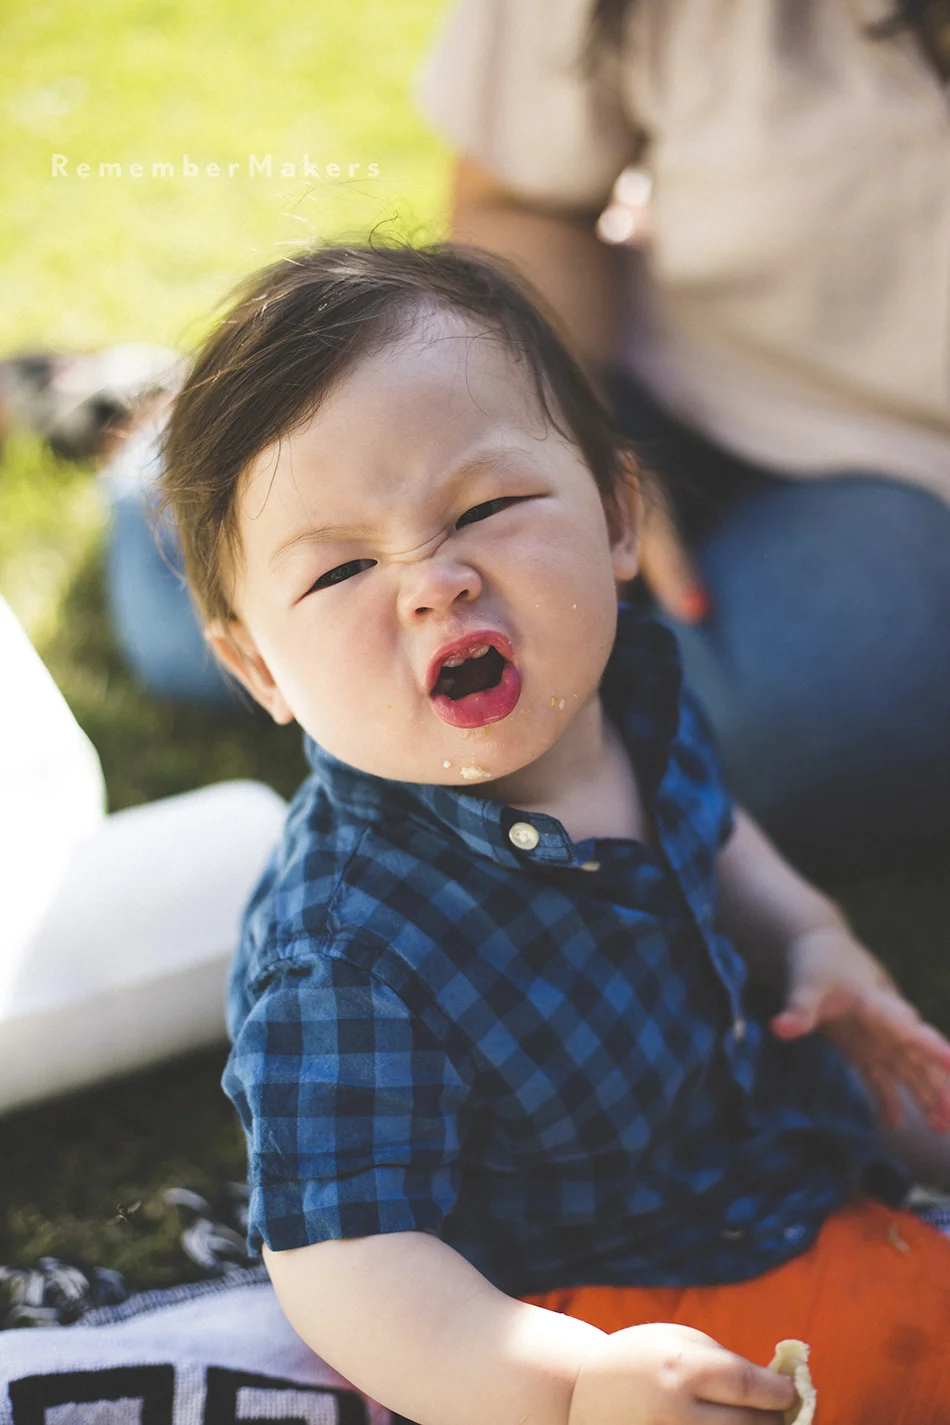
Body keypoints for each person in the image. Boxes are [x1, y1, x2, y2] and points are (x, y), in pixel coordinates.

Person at [154, 240, 950, 1424]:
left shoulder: (628, 690)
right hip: (591, 1296)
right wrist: (573, 1388)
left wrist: (810, 939)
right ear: (259, 668)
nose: (433, 582)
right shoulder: (343, 956)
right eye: (342, 570)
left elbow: (713, 835)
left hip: (755, 1130)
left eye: (485, 508)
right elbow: (347, 1265)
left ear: (618, 516)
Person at [417, 0, 950, 873]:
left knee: (783, 718)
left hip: (916, 471)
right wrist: (573, 433)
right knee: (240, 581)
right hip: (636, 368)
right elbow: (521, 200)